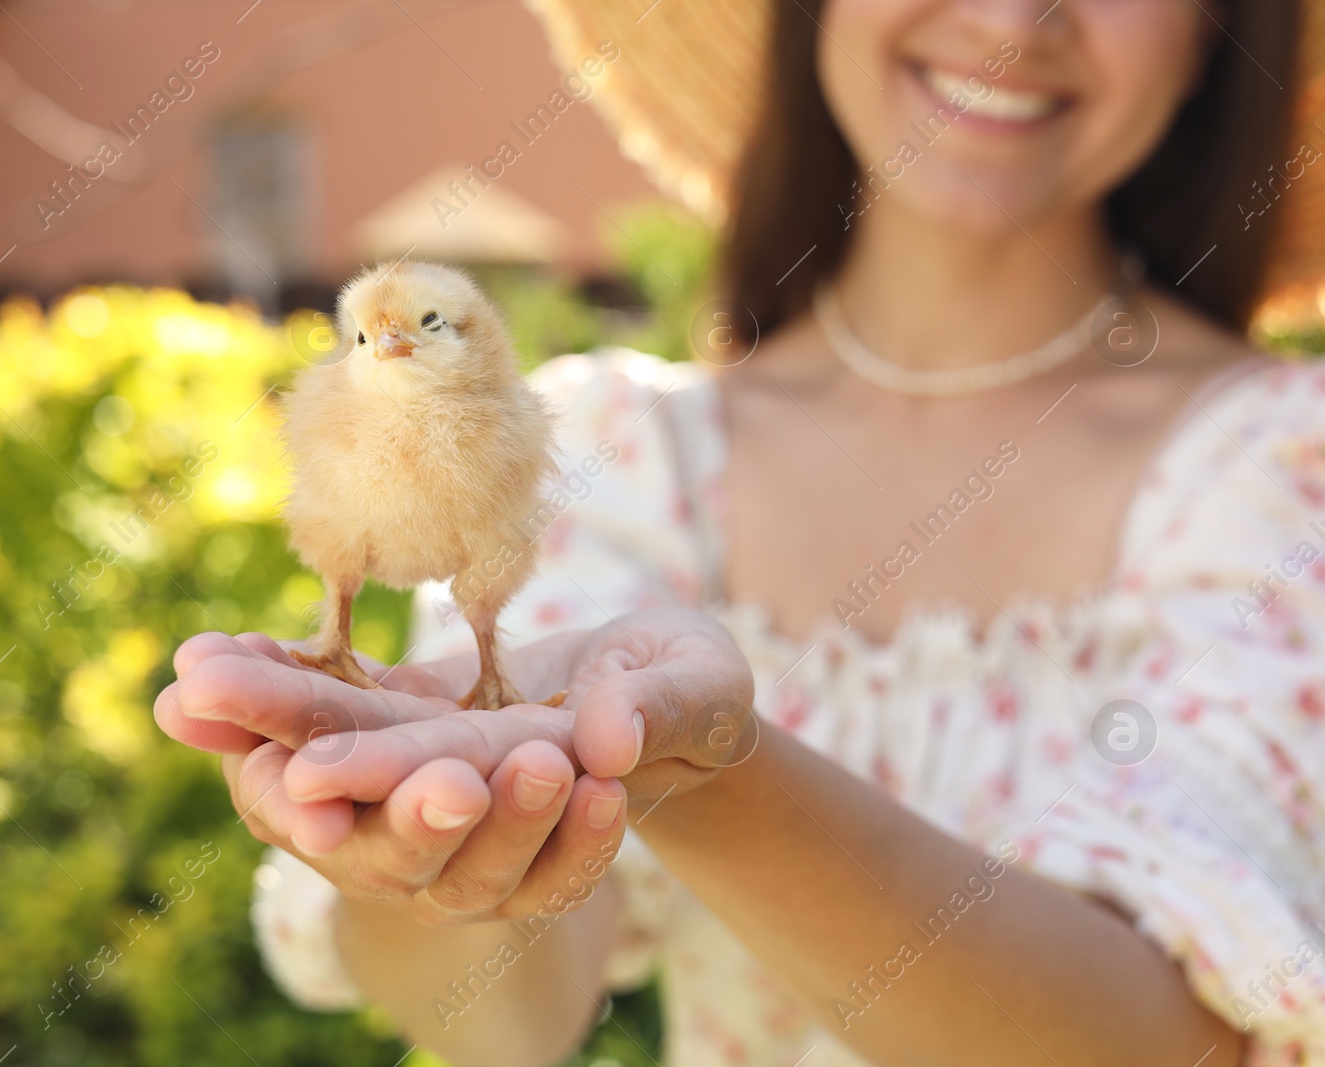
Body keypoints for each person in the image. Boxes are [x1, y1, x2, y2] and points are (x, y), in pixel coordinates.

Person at [155, 1, 1325, 1064]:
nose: (1016, 17)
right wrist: (424, 849)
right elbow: (508, 1019)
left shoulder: (1286, 472)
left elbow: (1163, 1041)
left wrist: (714, 768)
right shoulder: (616, 451)